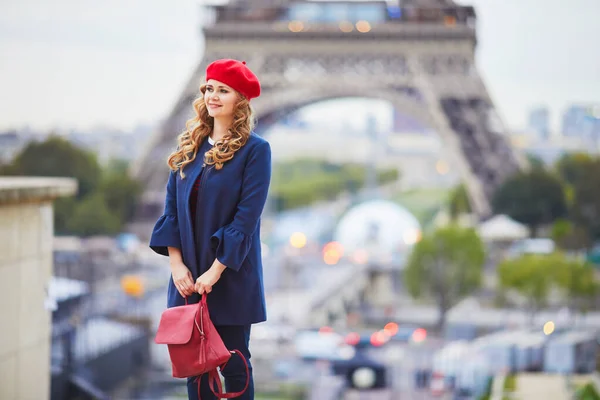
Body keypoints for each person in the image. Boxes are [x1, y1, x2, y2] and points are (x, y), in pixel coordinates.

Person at [149, 59, 271, 400]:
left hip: (229, 273)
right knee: (196, 370)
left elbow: (246, 218)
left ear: (241, 100)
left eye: (223, 90)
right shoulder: (189, 146)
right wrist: (176, 265)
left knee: (235, 366)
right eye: (209, 88)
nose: (213, 96)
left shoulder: (255, 151)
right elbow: (171, 210)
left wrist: (216, 271)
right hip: (188, 277)